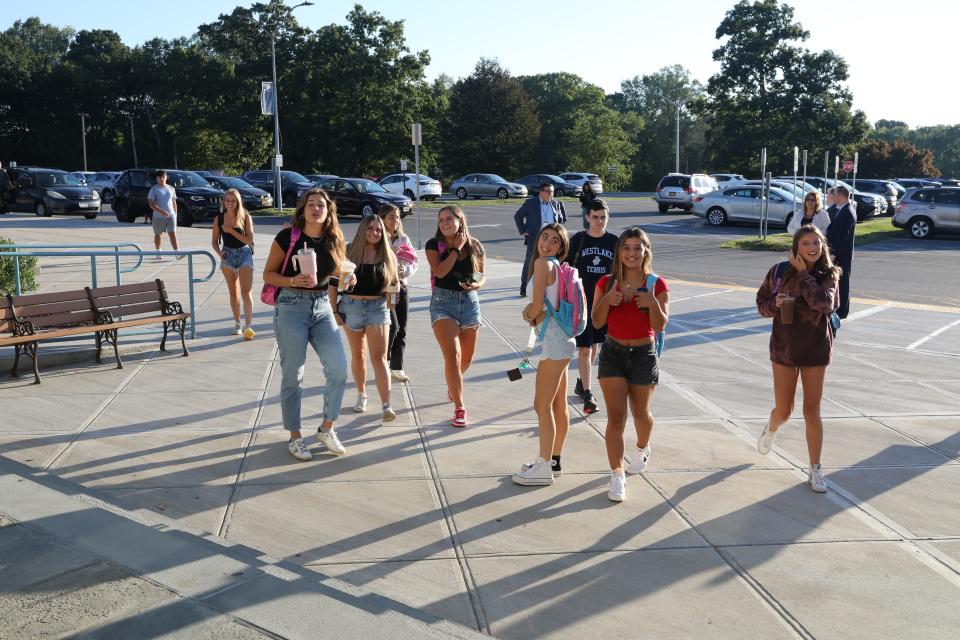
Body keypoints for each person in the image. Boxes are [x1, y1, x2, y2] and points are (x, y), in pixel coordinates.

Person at [263, 188, 349, 462]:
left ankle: (327, 428)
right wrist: (291, 281)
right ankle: (295, 437)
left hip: (322, 308)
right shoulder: (287, 237)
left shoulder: (334, 239)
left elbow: (337, 276)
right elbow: (268, 274)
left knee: (338, 370)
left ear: (328, 210)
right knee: (293, 375)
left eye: (321, 205)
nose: (316, 208)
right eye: (310, 204)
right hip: (291, 307)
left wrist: (348, 282)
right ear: (302, 210)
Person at [755, 225, 841, 493]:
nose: (812, 247)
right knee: (784, 410)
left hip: (815, 348)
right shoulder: (779, 271)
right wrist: (774, 305)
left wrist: (804, 275)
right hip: (784, 348)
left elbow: (825, 304)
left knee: (811, 411)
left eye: (816, 242)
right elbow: (761, 304)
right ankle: (771, 428)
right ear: (796, 247)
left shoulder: (829, 274)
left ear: (822, 245)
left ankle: (815, 468)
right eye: (806, 243)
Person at [591, 228, 670, 502]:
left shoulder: (656, 284)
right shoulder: (606, 282)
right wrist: (608, 301)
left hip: (643, 354)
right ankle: (617, 475)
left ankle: (642, 446)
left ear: (646, 251)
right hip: (612, 353)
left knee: (641, 414)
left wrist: (651, 305)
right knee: (616, 418)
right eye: (626, 248)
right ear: (619, 252)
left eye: (637, 248)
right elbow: (597, 322)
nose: (632, 253)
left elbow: (660, 325)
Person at [512, 223, 581, 486]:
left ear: (562, 248)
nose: (547, 243)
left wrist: (527, 314)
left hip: (553, 343)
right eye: (544, 237)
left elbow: (538, 305)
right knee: (558, 405)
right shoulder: (556, 267)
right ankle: (553, 460)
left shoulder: (543, 265)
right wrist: (535, 315)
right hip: (563, 340)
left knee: (541, 405)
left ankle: (543, 467)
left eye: (555, 240)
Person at [329, 214, 399, 421]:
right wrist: (334, 311)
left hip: (378, 308)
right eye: (370, 228)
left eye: (378, 230)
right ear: (363, 229)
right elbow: (334, 284)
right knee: (358, 355)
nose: (374, 233)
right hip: (351, 307)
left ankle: (387, 405)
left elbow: (394, 290)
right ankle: (361, 395)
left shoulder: (388, 255)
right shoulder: (349, 252)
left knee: (379, 357)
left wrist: (392, 298)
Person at [426, 205, 486, 428]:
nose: (444, 223)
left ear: (460, 221)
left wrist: (475, 284)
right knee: (453, 355)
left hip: (469, 303)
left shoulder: (476, 245)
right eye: (441, 219)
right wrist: (455, 250)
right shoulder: (435, 245)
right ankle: (459, 407)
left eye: (449, 219)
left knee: (466, 359)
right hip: (443, 304)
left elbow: (482, 276)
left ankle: (454, 384)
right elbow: (440, 272)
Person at [565, 199, 618, 414]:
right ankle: (588, 393)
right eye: (595, 217)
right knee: (585, 347)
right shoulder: (578, 240)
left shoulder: (615, 241)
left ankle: (581, 382)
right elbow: (564, 268)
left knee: (595, 343)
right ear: (587, 217)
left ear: (608, 217)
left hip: (605, 303)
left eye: (603, 217)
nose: (599, 221)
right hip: (582, 302)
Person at [379, 204, 419, 383]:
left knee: (402, 328)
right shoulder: (377, 237)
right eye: (391, 217)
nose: (395, 221)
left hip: (401, 287)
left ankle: (397, 367)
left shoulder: (403, 239)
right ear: (383, 219)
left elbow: (414, 262)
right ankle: (383, 361)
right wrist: (390, 255)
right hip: (383, 289)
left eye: (397, 217)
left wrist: (404, 270)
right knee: (392, 327)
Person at [212, 188, 256, 339]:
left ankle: (248, 325)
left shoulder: (246, 217)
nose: (230, 203)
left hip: (244, 254)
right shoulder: (218, 218)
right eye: (227, 200)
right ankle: (237, 323)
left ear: (238, 201)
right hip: (228, 255)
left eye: (233, 200)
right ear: (224, 202)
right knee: (234, 292)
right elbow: (214, 242)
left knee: (246, 291)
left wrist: (231, 231)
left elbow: (249, 241)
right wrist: (220, 253)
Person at [514, 182, 566, 297]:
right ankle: (524, 288)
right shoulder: (531, 203)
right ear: (541, 192)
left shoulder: (556, 203)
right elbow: (518, 216)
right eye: (548, 191)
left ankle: (551, 287)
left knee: (552, 263)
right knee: (530, 263)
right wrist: (523, 231)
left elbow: (561, 220)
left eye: (552, 192)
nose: (550, 194)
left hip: (553, 240)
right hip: (535, 238)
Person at [825, 185, 856, 319]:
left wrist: (833, 253)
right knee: (840, 281)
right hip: (842, 253)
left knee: (842, 282)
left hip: (841, 255)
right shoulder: (845, 209)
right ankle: (840, 309)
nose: (833, 197)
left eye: (835, 194)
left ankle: (842, 311)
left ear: (840, 195)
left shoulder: (847, 212)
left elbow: (842, 235)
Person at [147, 170, 179, 254]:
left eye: (163, 176)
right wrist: (161, 211)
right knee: (158, 235)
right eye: (159, 177)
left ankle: (177, 253)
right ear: (156, 178)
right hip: (158, 217)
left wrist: (175, 214)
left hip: (171, 216)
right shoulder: (154, 189)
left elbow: (174, 202)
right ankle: (158, 251)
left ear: (166, 177)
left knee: (172, 233)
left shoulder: (171, 188)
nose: (161, 178)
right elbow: (151, 204)